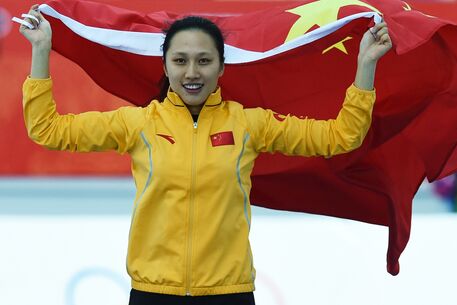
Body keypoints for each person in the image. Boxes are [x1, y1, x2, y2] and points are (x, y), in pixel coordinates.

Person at [19, 4, 392, 304]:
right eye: (180, 61)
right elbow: (47, 129)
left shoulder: (249, 125)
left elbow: (340, 137)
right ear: (165, 65)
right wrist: (40, 50)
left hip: (229, 293)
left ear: (221, 67)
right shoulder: (139, 124)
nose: (191, 72)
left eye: (204, 60)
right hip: (153, 293)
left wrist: (365, 65)